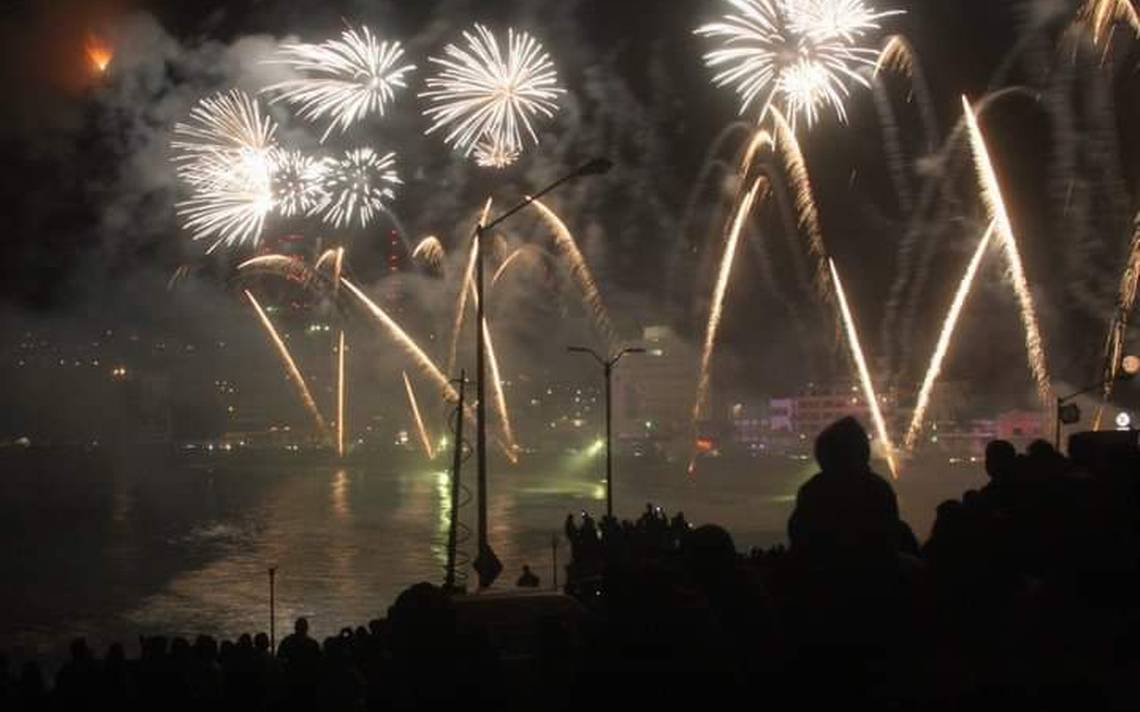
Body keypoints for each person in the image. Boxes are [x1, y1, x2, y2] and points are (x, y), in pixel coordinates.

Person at [788, 417, 915, 567]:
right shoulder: (878, 489)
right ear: (863, 452)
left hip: (821, 580)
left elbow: (799, 537)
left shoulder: (812, 492)